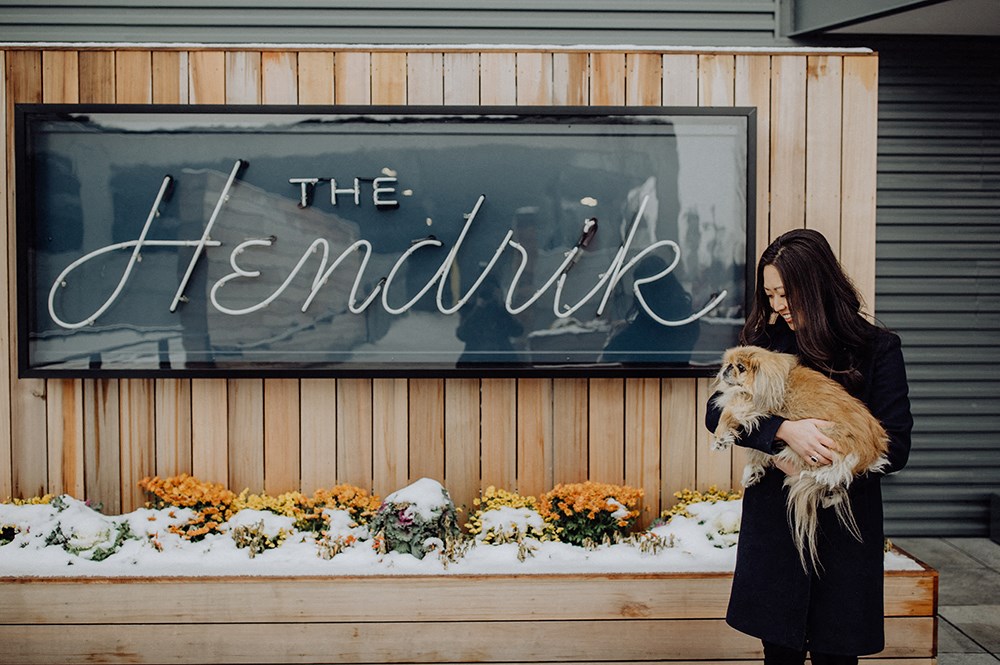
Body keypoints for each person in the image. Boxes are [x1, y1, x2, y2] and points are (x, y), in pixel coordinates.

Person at [705, 229, 913, 663]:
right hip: (777, 526)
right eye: (770, 294)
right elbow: (715, 412)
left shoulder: (876, 348)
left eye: (786, 293)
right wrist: (782, 432)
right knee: (778, 651)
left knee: (837, 653)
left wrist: (825, 460)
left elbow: (897, 446)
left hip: (844, 529)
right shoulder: (765, 341)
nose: (777, 306)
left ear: (817, 286)